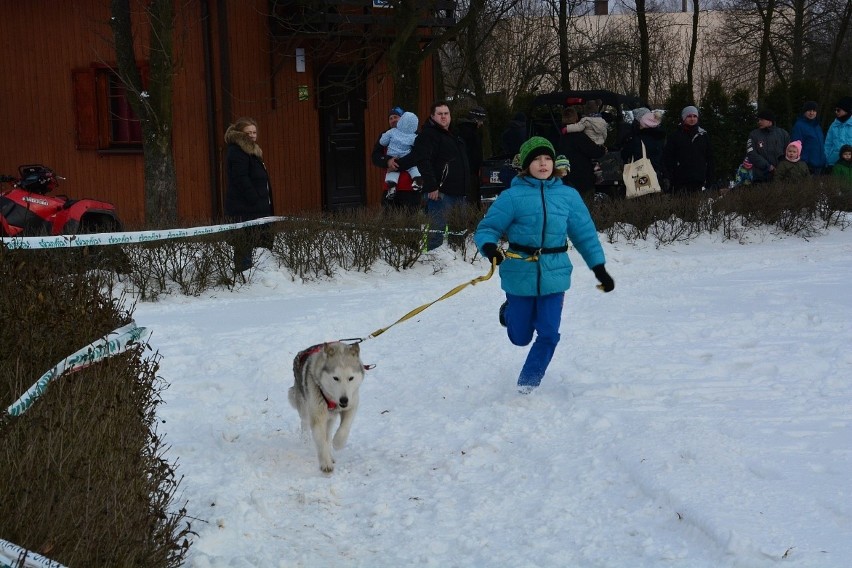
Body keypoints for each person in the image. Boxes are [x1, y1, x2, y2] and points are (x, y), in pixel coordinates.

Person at [474, 136, 614, 394]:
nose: (543, 163)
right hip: (519, 273)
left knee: (549, 333)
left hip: (555, 273)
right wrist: (490, 247)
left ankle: (528, 384)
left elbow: (585, 235)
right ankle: (509, 313)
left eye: (547, 158)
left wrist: (599, 269)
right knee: (520, 338)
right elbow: (487, 229)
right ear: (526, 165)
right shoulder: (512, 197)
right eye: (537, 159)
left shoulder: (568, 196)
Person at [392, 101, 470, 250]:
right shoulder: (428, 135)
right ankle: (435, 265)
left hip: (460, 192)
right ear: (432, 116)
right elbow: (423, 161)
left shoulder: (454, 134)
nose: (443, 117)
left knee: (459, 232)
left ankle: (458, 262)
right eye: (439, 114)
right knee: (436, 232)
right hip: (440, 193)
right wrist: (431, 186)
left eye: (446, 114)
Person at [224, 117, 274, 273]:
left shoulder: (252, 151)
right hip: (244, 207)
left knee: (253, 240)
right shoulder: (238, 152)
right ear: (240, 134)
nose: (252, 135)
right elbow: (241, 179)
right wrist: (255, 198)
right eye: (248, 132)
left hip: (254, 206)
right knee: (244, 241)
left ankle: (251, 272)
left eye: (254, 132)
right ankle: (243, 273)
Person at [372, 106, 421, 211]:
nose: (393, 120)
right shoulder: (385, 135)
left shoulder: (415, 136)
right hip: (389, 188)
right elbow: (375, 156)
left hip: (410, 189)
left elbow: (418, 156)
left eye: (396, 117)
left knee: (411, 222)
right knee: (389, 221)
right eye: (390, 118)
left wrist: (396, 165)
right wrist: (387, 161)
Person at [662, 105, 715, 193]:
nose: (692, 119)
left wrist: (710, 179)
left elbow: (710, 158)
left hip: (699, 180)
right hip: (679, 181)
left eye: (694, 116)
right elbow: (668, 158)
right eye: (689, 116)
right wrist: (668, 177)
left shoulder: (703, 135)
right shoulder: (675, 136)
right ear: (684, 118)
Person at [558, 107, 607, 197]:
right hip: (581, 180)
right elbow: (594, 152)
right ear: (576, 118)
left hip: (563, 179)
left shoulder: (558, 136)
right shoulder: (580, 136)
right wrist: (603, 150)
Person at [621, 109, 666, 187]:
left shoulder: (635, 138)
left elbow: (625, 154)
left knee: (641, 195)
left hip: (640, 176)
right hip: (656, 174)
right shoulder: (659, 136)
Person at [746, 109, 790, 183]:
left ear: (770, 121)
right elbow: (751, 153)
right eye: (758, 120)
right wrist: (768, 166)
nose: (759, 122)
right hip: (760, 176)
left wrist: (781, 168)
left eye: (762, 120)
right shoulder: (753, 134)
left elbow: (789, 151)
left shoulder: (783, 134)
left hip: (780, 176)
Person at [454, 106, 486, 204]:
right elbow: (474, 154)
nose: (482, 123)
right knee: (471, 199)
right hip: (470, 171)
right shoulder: (471, 134)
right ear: (476, 120)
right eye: (481, 121)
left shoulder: (463, 130)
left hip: (467, 170)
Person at [790, 101, 827, 175]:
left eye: (814, 111)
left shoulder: (817, 126)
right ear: (804, 112)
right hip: (807, 165)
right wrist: (803, 161)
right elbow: (795, 146)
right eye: (809, 111)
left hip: (820, 165)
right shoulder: (799, 126)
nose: (812, 113)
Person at [824, 96, 852, 168]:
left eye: (838, 110)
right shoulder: (833, 125)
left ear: (846, 110)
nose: (836, 112)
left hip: (849, 163)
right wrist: (826, 159)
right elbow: (828, 144)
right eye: (835, 110)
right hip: (833, 162)